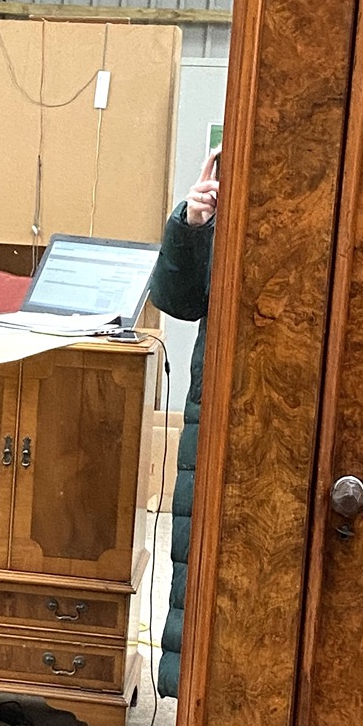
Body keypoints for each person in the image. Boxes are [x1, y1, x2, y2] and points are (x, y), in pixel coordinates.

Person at [147, 145, 219, 698]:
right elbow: (178, 298)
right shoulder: (215, 210)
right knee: (196, 555)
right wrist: (192, 223)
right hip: (212, 395)